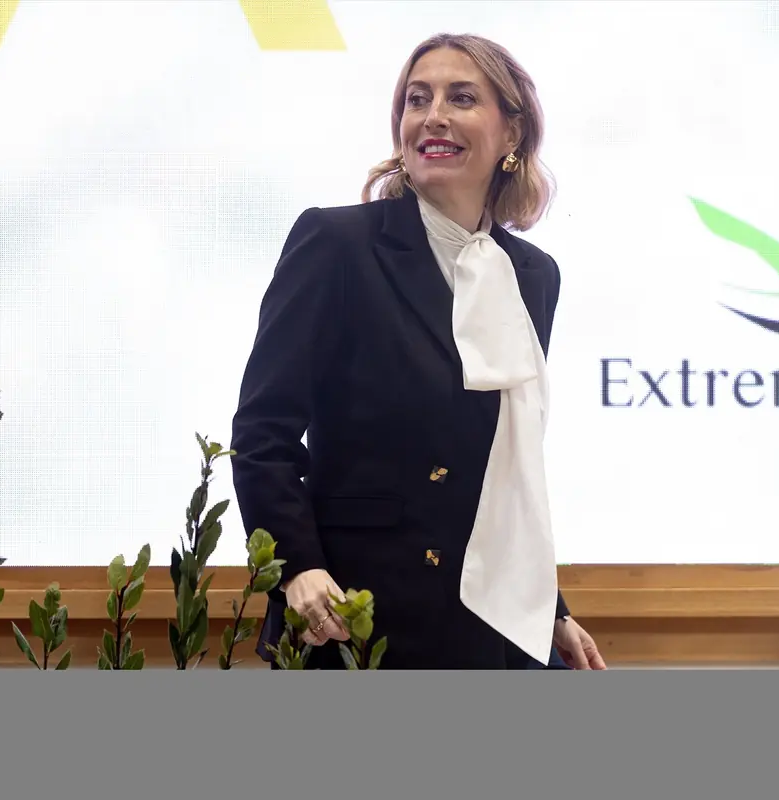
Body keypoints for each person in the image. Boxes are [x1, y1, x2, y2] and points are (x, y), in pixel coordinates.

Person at [230, 32, 606, 670]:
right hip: (354, 611)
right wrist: (298, 567)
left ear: (512, 134)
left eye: (462, 98)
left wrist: (551, 607)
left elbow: (505, 469)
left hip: (496, 623)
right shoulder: (336, 243)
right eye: (416, 99)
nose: (433, 116)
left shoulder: (534, 275)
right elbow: (262, 432)